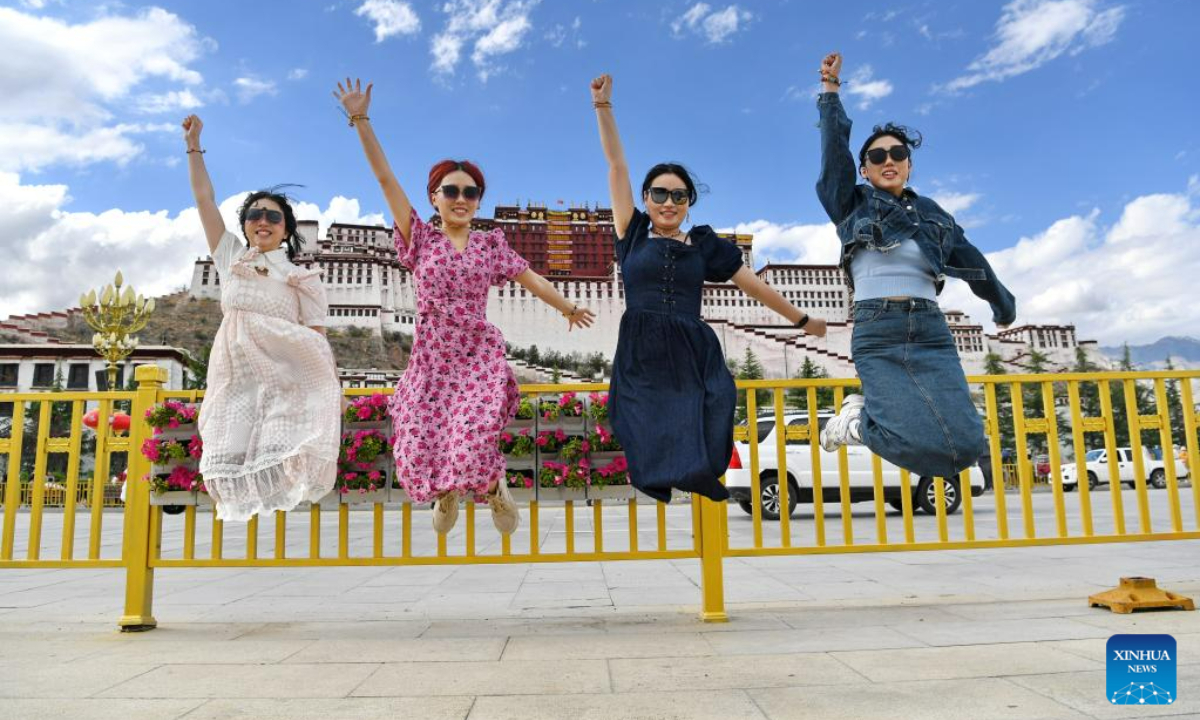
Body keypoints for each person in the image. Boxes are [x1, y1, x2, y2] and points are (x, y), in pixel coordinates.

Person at [335, 78, 595, 536]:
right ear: (434, 197)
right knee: (415, 438)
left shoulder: (490, 245)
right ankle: (444, 492)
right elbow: (384, 178)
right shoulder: (420, 238)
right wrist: (361, 120)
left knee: (473, 433)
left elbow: (530, 277)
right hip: (432, 357)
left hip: (476, 354)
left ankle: (494, 487)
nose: (460, 199)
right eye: (450, 191)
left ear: (478, 201)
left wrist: (567, 309)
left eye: (470, 192)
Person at [590, 73, 827, 503]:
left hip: (691, 340)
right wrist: (603, 108)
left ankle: (699, 471)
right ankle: (659, 476)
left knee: (717, 397)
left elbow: (751, 284)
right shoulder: (632, 232)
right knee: (639, 411)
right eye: (660, 193)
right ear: (645, 197)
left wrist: (802, 319)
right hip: (641, 342)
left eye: (679, 197)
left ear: (689, 204)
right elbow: (616, 167)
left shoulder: (703, 243)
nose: (668, 203)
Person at [813, 52, 1017, 484]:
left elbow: (973, 262)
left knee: (964, 446)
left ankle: (860, 418)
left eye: (898, 153)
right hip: (877, 328)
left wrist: (1003, 308)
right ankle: (856, 422)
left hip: (930, 329)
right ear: (864, 170)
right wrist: (831, 91)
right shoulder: (851, 203)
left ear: (908, 162)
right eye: (877, 155)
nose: (889, 159)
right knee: (905, 437)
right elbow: (833, 156)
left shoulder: (935, 214)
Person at [182, 115, 342, 522]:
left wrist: (328, 388)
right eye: (255, 214)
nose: (263, 221)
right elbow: (204, 200)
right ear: (245, 225)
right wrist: (194, 146)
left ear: (286, 229)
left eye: (273, 217)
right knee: (229, 441)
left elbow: (317, 339)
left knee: (283, 450)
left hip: (283, 374)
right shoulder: (231, 257)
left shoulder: (301, 277)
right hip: (235, 375)